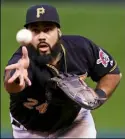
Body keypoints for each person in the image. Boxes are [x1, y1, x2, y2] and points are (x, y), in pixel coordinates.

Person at [4, 4, 122, 138]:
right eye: (35, 31)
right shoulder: (21, 62)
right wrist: (15, 79)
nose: (42, 36)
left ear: (59, 32)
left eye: (48, 30)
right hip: (29, 130)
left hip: (75, 123)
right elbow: (12, 86)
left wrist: (99, 96)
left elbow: (111, 72)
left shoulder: (81, 48)